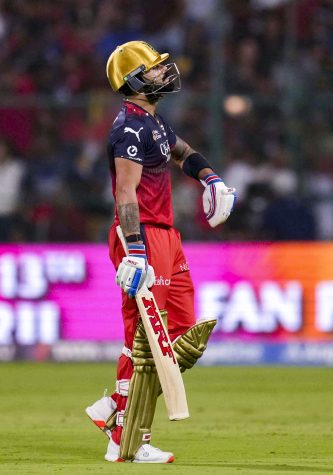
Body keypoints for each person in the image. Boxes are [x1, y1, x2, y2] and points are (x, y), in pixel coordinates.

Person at [85, 41, 236, 464]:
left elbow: (182, 153)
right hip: (142, 235)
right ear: (133, 81)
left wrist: (211, 179)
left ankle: (114, 407)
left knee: (181, 338)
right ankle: (127, 439)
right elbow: (126, 191)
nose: (161, 73)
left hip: (166, 235)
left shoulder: (153, 122)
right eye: (152, 69)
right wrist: (135, 252)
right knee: (145, 338)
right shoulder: (129, 128)